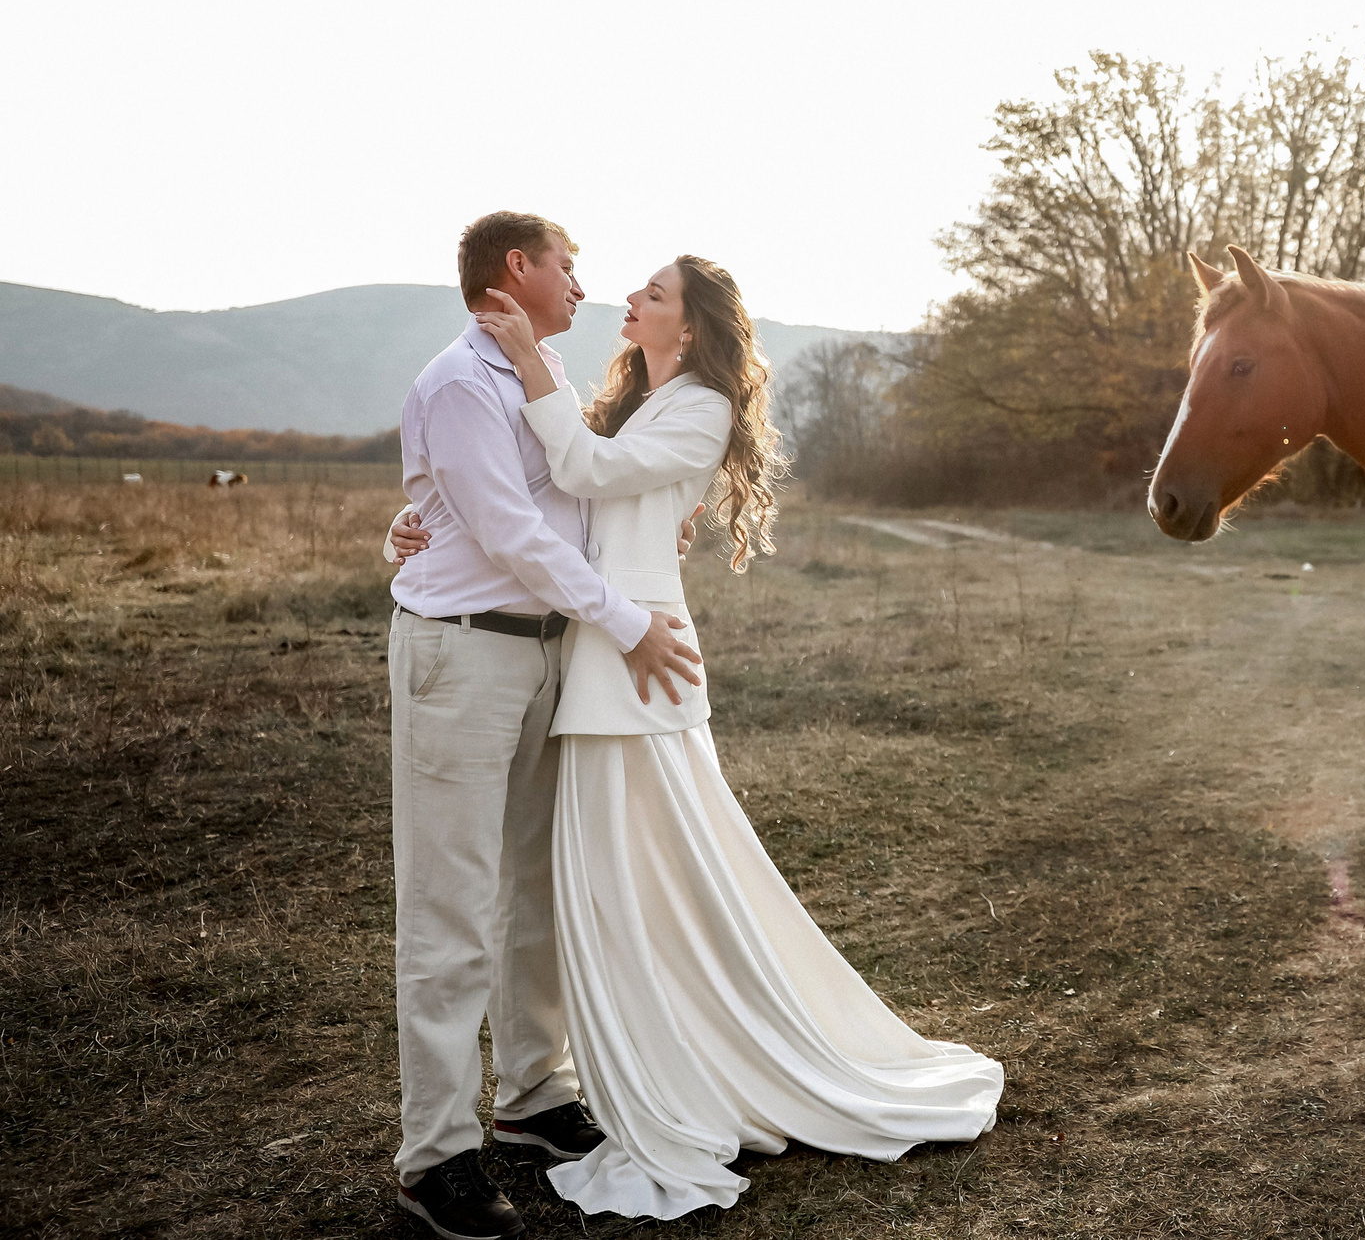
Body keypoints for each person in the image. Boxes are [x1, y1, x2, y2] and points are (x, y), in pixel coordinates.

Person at [391, 253, 1002, 1221]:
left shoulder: (702, 407)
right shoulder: (634, 402)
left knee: (652, 876)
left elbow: (581, 472)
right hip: (599, 652)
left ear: (694, 326)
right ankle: (536, 1102)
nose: (624, 299)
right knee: (596, 878)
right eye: (620, 285)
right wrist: (421, 522)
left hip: (633, 656)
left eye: (652, 294)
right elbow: (551, 498)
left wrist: (540, 378)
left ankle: (627, 1074)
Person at [384, 212, 703, 1240]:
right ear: (517, 270)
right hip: (465, 655)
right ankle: (435, 1153)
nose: (582, 283)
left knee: (535, 883)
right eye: (568, 265)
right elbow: (510, 531)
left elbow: (572, 499)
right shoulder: (461, 383)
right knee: (452, 907)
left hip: (545, 657)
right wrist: (627, 624)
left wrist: (660, 528)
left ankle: (532, 1098)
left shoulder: (539, 379)